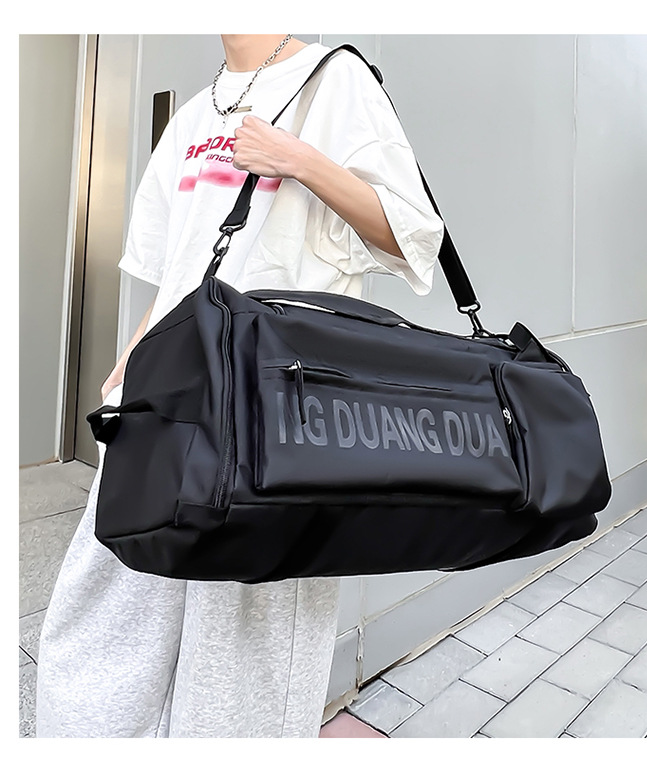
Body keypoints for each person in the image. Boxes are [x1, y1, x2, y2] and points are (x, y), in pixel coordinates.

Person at [36, 34, 444, 738]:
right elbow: (177, 267)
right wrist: (131, 356)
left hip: (276, 417)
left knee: (243, 662)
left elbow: (413, 236)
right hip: (164, 400)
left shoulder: (335, 78)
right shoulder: (194, 114)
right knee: (104, 620)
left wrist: (300, 160)